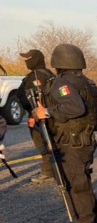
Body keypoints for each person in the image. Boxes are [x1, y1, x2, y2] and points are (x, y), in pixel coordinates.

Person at [30, 43, 97, 223]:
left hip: (71, 143)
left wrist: (47, 112)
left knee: (75, 188)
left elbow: (75, 107)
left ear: (58, 62)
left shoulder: (63, 83)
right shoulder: (88, 83)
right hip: (84, 141)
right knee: (82, 184)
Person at [19, 50, 56, 184]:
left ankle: (48, 172)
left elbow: (27, 97)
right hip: (49, 114)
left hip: (38, 116)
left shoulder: (35, 77)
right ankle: (56, 169)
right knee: (52, 142)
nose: (26, 61)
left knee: (43, 143)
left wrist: (31, 113)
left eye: (28, 58)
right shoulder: (49, 74)